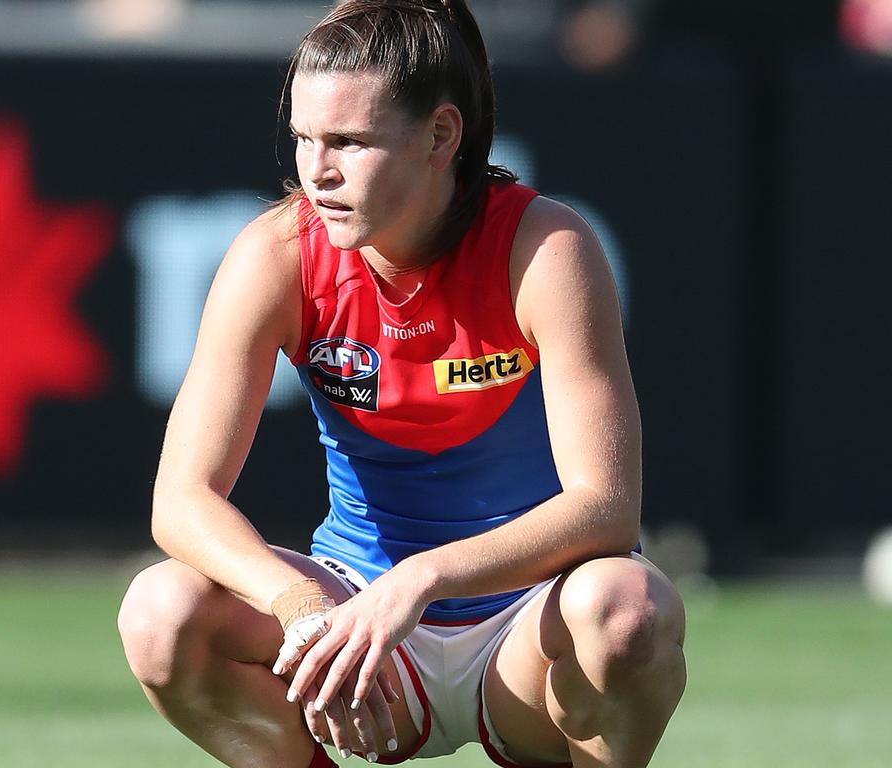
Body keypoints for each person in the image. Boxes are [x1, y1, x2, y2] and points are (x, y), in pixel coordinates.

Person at [116, 1, 687, 767]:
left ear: (440, 137)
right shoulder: (277, 254)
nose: (316, 171)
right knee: (160, 611)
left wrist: (422, 579)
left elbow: (607, 510)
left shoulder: (545, 247)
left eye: (349, 142)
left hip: (523, 632)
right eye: (304, 139)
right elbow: (180, 502)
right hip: (358, 633)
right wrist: (305, 609)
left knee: (626, 609)